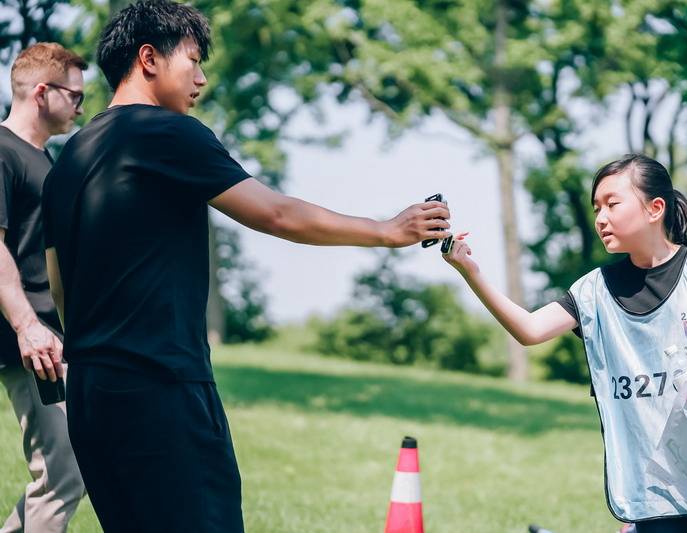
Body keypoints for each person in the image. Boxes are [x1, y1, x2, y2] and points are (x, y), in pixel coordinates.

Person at [41, 1, 451, 532]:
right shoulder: (167, 132)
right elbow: (276, 214)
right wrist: (386, 231)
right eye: (193, 61)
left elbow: (59, 284)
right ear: (148, 59)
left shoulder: (68, 160)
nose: (201, 79)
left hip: (92, 394)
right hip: (159, 386)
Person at [443, 154, 687, 532]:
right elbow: (529, 330)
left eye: (612, 204)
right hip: (656, 482)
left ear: (655, 209)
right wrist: (470, 271)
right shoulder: (593, 291)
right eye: (596, 208)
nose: (600, 218)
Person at [0, 42, 86, 533]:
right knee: (61, 476)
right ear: (41, 92)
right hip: (28, 341)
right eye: (75, 96)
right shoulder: (2, 151)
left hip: (48, 337)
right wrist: (26, 326)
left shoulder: (43, 159)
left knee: (65, 473)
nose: (80, 107)